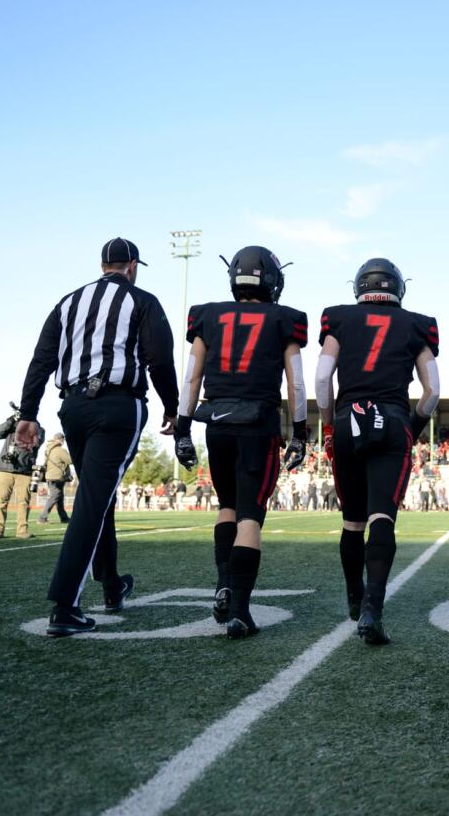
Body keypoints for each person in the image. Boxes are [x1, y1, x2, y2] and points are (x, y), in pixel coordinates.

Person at [14, 237, 179, 637]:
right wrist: (173, 408)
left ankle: (110, 584)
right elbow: (159, 358)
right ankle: (65, 604)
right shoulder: (142, 301)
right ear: (133, 265)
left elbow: (42, 359)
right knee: (93, 498)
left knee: (96, 493)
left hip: (72, 407)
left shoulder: (68, 302)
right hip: (117, 406)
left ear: (103, 265)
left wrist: (29, 413)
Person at [172, 246, 308, 639]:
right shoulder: (284, 319)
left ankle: (223, 585)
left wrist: (183, 428)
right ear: (272, 281)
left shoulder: (207, 315)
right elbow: (296, 381)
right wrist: (299, 431)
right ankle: (240, 611)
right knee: (251, 515)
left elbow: (191, 377)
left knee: (226, 506)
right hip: (257, 422)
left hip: (215, 420)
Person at [316, 258, 440, 645]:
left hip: (349, 420)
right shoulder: (415, 324)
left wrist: (331, 424)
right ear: (398, 289)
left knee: (353, 521)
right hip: (391, 420)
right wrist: (413, 425)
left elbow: (322, 377)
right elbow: (433, 389)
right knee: (381, 517)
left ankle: (355, 597)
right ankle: (373, 608)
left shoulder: (339, 319)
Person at [0, 406, 43, 539]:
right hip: (6, 468)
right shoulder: (12, 426)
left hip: (24, 470)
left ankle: (22, 531)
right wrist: (11, 420)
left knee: (23, 502)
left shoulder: (38, 428)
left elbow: (36, 442)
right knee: (1, 500)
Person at [37, 433, 73, 524]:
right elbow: (71, 460)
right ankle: (42, 518)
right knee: (55, 496)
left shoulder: (49, 449)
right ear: (61, 439)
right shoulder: (60, 450)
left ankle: (63, 518)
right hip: (57, 477)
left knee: (59, 497)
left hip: (50, 477)